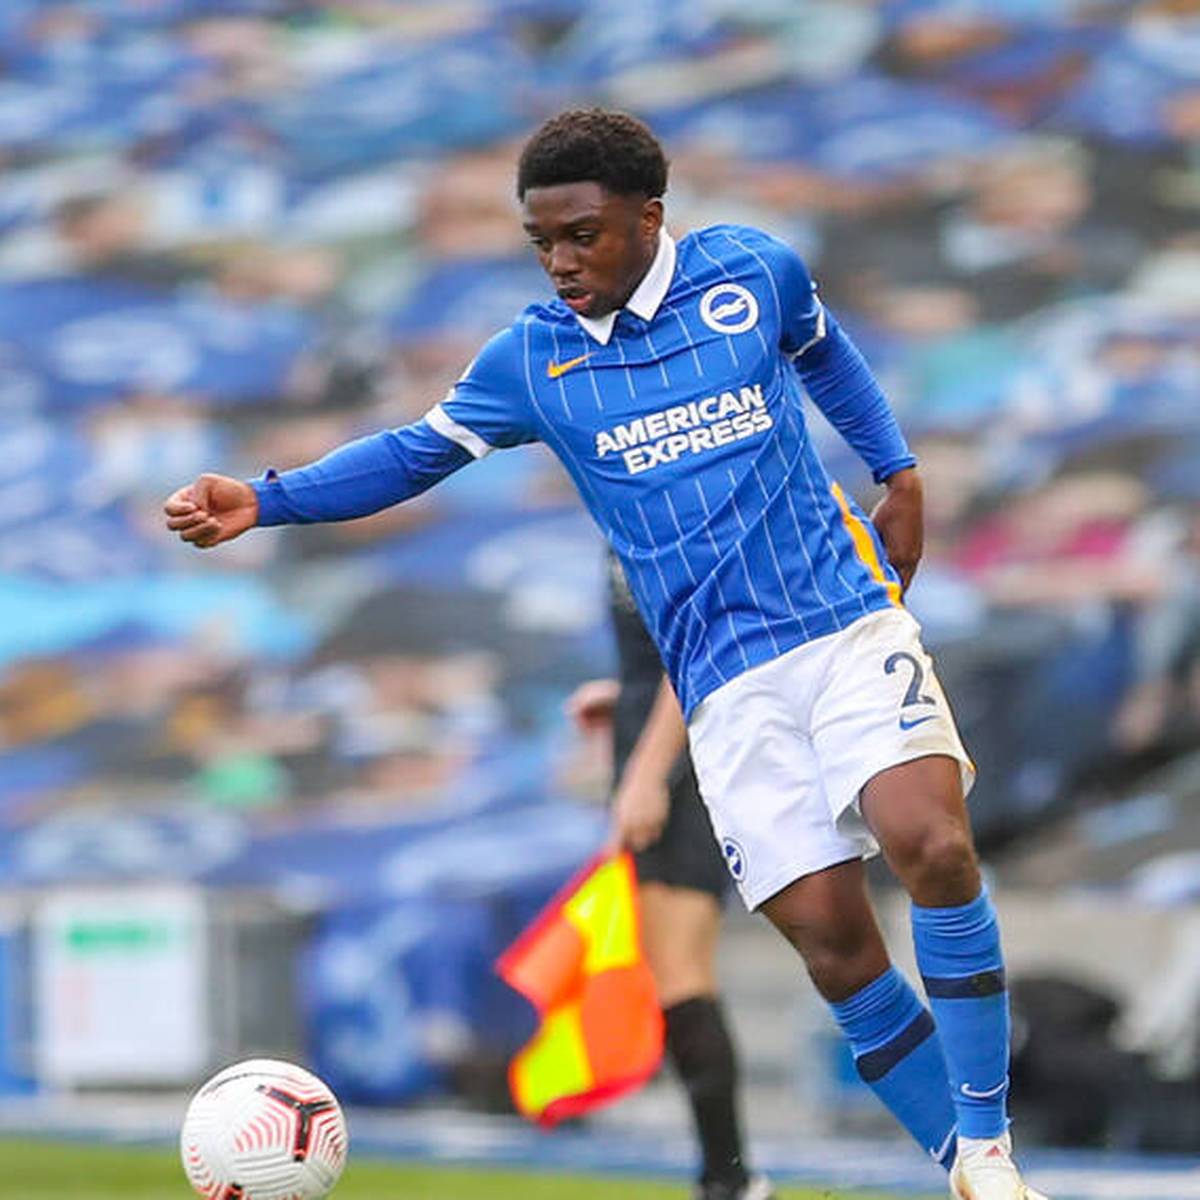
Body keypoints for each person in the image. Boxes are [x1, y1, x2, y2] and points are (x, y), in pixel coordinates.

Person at [164, 108, 1049, 1200]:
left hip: (840, 621)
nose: (561, 261)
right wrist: (268, 498)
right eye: (541, 241)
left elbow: (824, 348)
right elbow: (412, 454)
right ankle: (970, 1171)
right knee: (832, 941)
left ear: (648, 217)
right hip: (722, 686)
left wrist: (897, 470)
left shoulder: (750, 273)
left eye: (582, 235)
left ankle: (988, 1142)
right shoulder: (533, 359)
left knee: (933, 842)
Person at [566, 550, 772, 1200]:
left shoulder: (665, 510)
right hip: (659, 743)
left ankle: (729, 1179)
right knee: (672, 976)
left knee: (681, 974)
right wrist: (623, 696)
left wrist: (649, 773)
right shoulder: (619, 517)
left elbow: (701, 651)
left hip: (689, 765)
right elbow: (665, 646)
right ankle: (726, 1176)